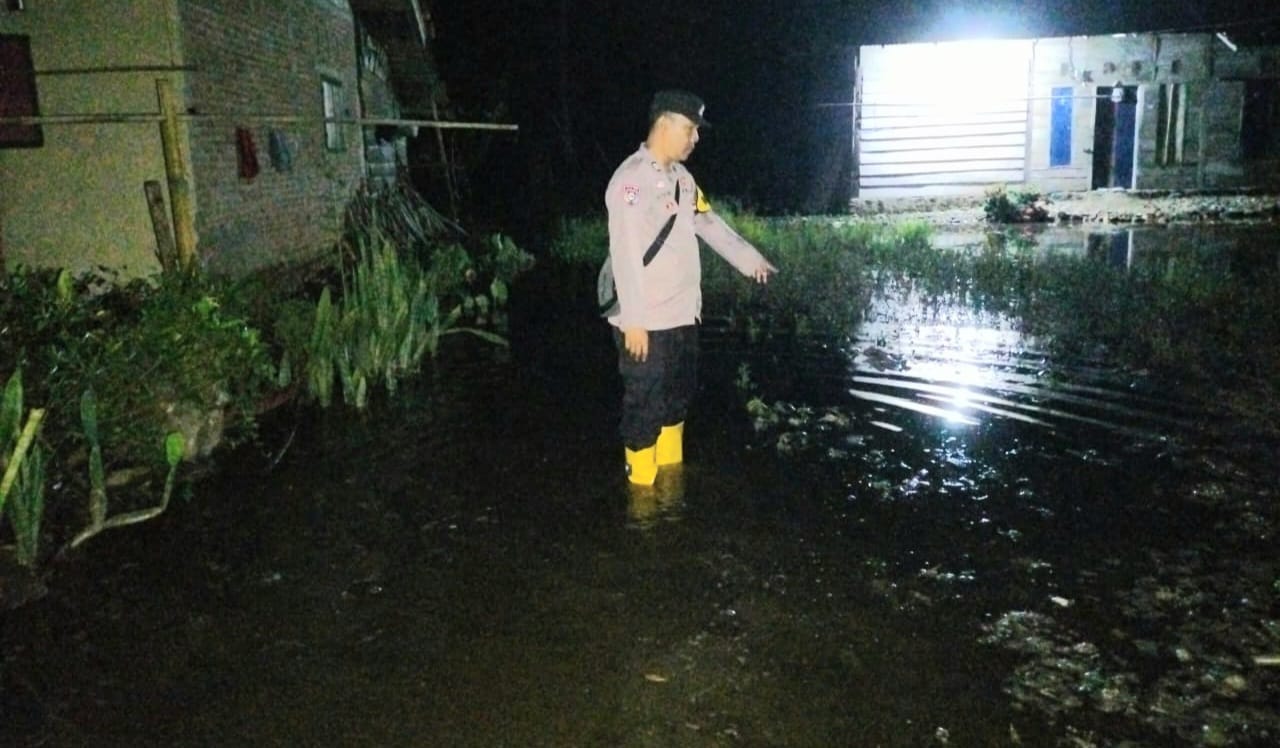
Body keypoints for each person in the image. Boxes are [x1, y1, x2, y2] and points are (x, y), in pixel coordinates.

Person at [602, 89, 776, 486]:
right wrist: (633, 321)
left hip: (683, 315)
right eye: (689, 129)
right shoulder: (629, 181)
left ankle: (672, 491)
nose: (695, 139)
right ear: (664, 123)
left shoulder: (683, 180)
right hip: (644, 322)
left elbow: (709, 223)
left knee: (677, 403)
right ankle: (643, 505)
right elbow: (626, 253)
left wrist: (750, 261)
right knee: (644, 407)